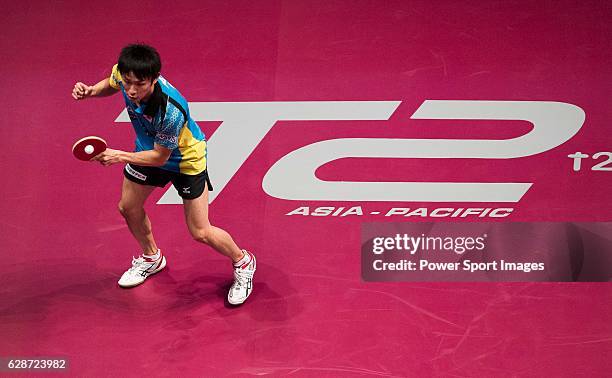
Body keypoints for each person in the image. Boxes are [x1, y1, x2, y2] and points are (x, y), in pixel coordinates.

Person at [72, 43, 255, 305]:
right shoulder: (125, 76)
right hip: (148, 149)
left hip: (184, 160)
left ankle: (244, 262)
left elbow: (160, 157)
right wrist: (91, 92)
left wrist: (118, 156)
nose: (132, 90)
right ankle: (151, 258)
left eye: (140, 84)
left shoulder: (169, 110)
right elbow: (111, 83)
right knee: (128, 207)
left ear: (154, 79)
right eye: (128, 82)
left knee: (200, 231)